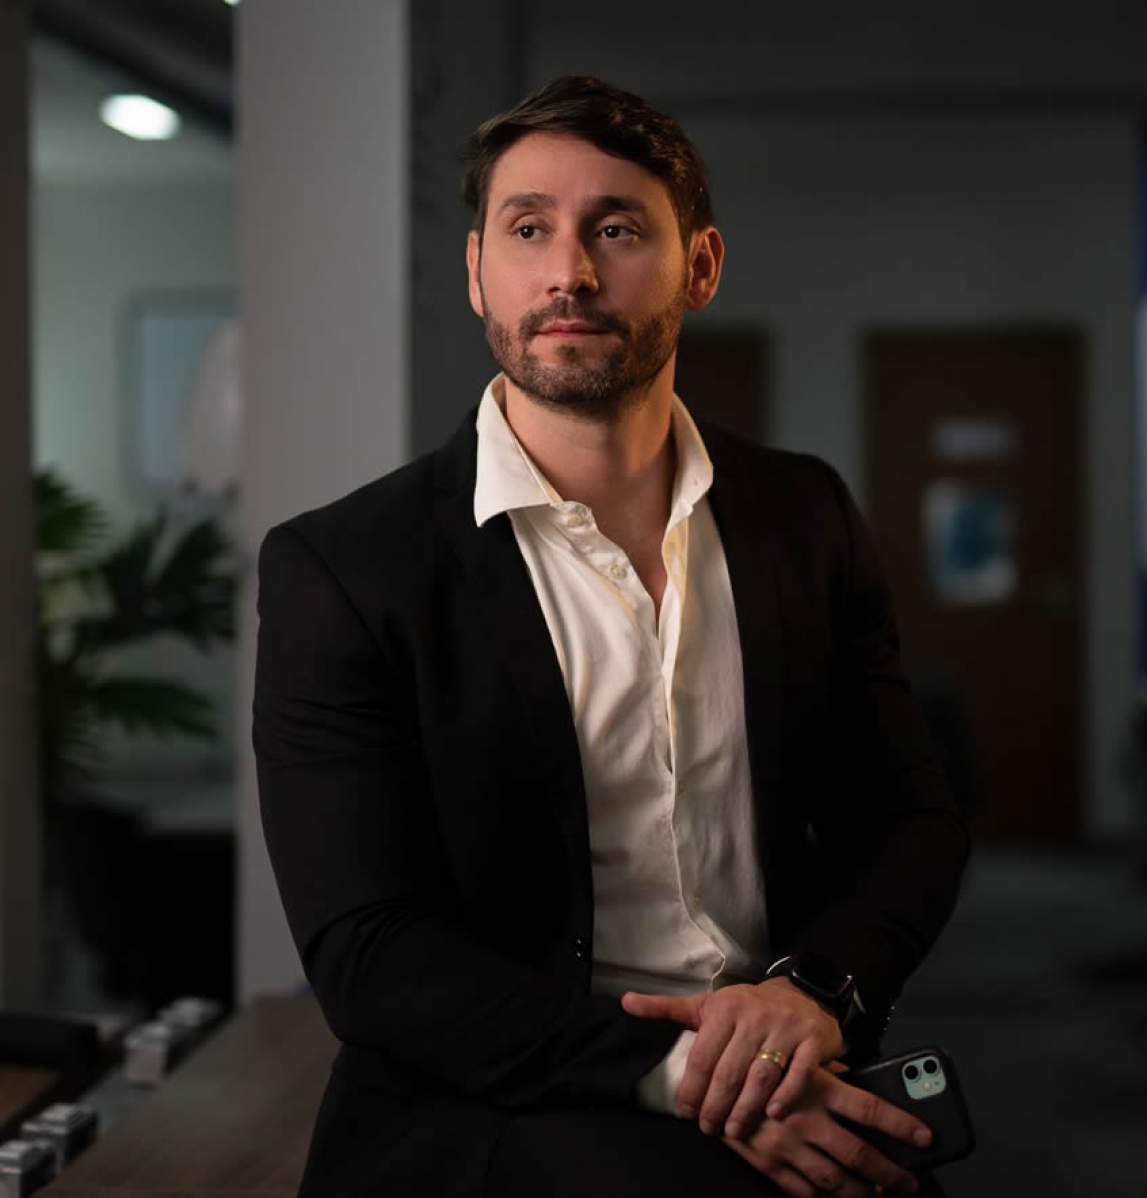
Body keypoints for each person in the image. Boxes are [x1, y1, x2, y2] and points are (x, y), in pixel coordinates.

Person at [254, 76, 970, 1198]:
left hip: (786, 1049)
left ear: (701, 267)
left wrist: (813, 996)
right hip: (500, 1111)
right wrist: (690, 1077)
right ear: (476, 271)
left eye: (617, 229)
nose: (569, 273)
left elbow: (910, 815)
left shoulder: (804, 514)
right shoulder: (345, 570)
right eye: (527, 229)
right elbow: (369, 950)